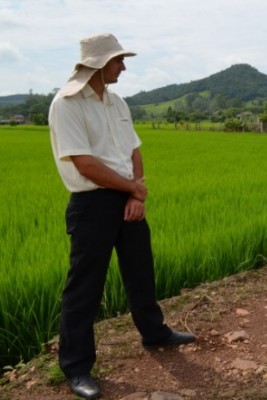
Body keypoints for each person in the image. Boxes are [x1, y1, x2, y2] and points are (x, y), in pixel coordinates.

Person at [48, 33, 196, 399]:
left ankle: (155, 333)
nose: (124, 67)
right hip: (92, 205)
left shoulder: (116, 102)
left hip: (128, 198)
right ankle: (77, 368)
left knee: (140, 271)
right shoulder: (66, 104)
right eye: (118, 61)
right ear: (99, 64)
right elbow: (84, 163)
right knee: (85, 288)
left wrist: (137, 192)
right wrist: (132, 189)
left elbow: (133, 149)